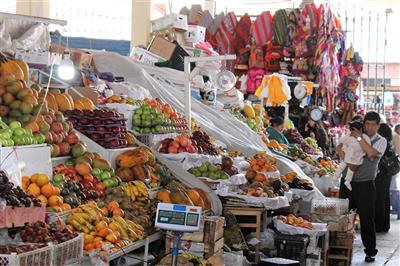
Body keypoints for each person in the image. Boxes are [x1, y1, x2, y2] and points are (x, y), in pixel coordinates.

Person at [337, 111, 387, 263]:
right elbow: (339, 149)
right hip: (347, 182)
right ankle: (340, 248)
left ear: (378, 126)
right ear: (364, 124)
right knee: (344, 217)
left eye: (373, 125)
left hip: (365, 185)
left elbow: (371, 153)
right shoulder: (354, 136)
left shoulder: (381, 140)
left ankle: (370, 251)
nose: (370, 127)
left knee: (366, 219)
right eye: (367, 124)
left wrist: (358, 138)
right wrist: (348, 158)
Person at [333, 120, 371, 190]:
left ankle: (347, 181)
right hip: (349, 154)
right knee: (343, 166)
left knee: (350, 170)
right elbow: (340, 142)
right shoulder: (349, 136)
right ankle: (335, 178)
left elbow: (367, 147)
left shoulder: (364, 137)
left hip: (356, 157)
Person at [374, 123, 394, 232]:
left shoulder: (382, 143)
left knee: (379, 198)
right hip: (387, 174)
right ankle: (384, 225)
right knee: (385, 197)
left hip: (381, 173)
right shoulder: (389, 144)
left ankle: (379, 225)